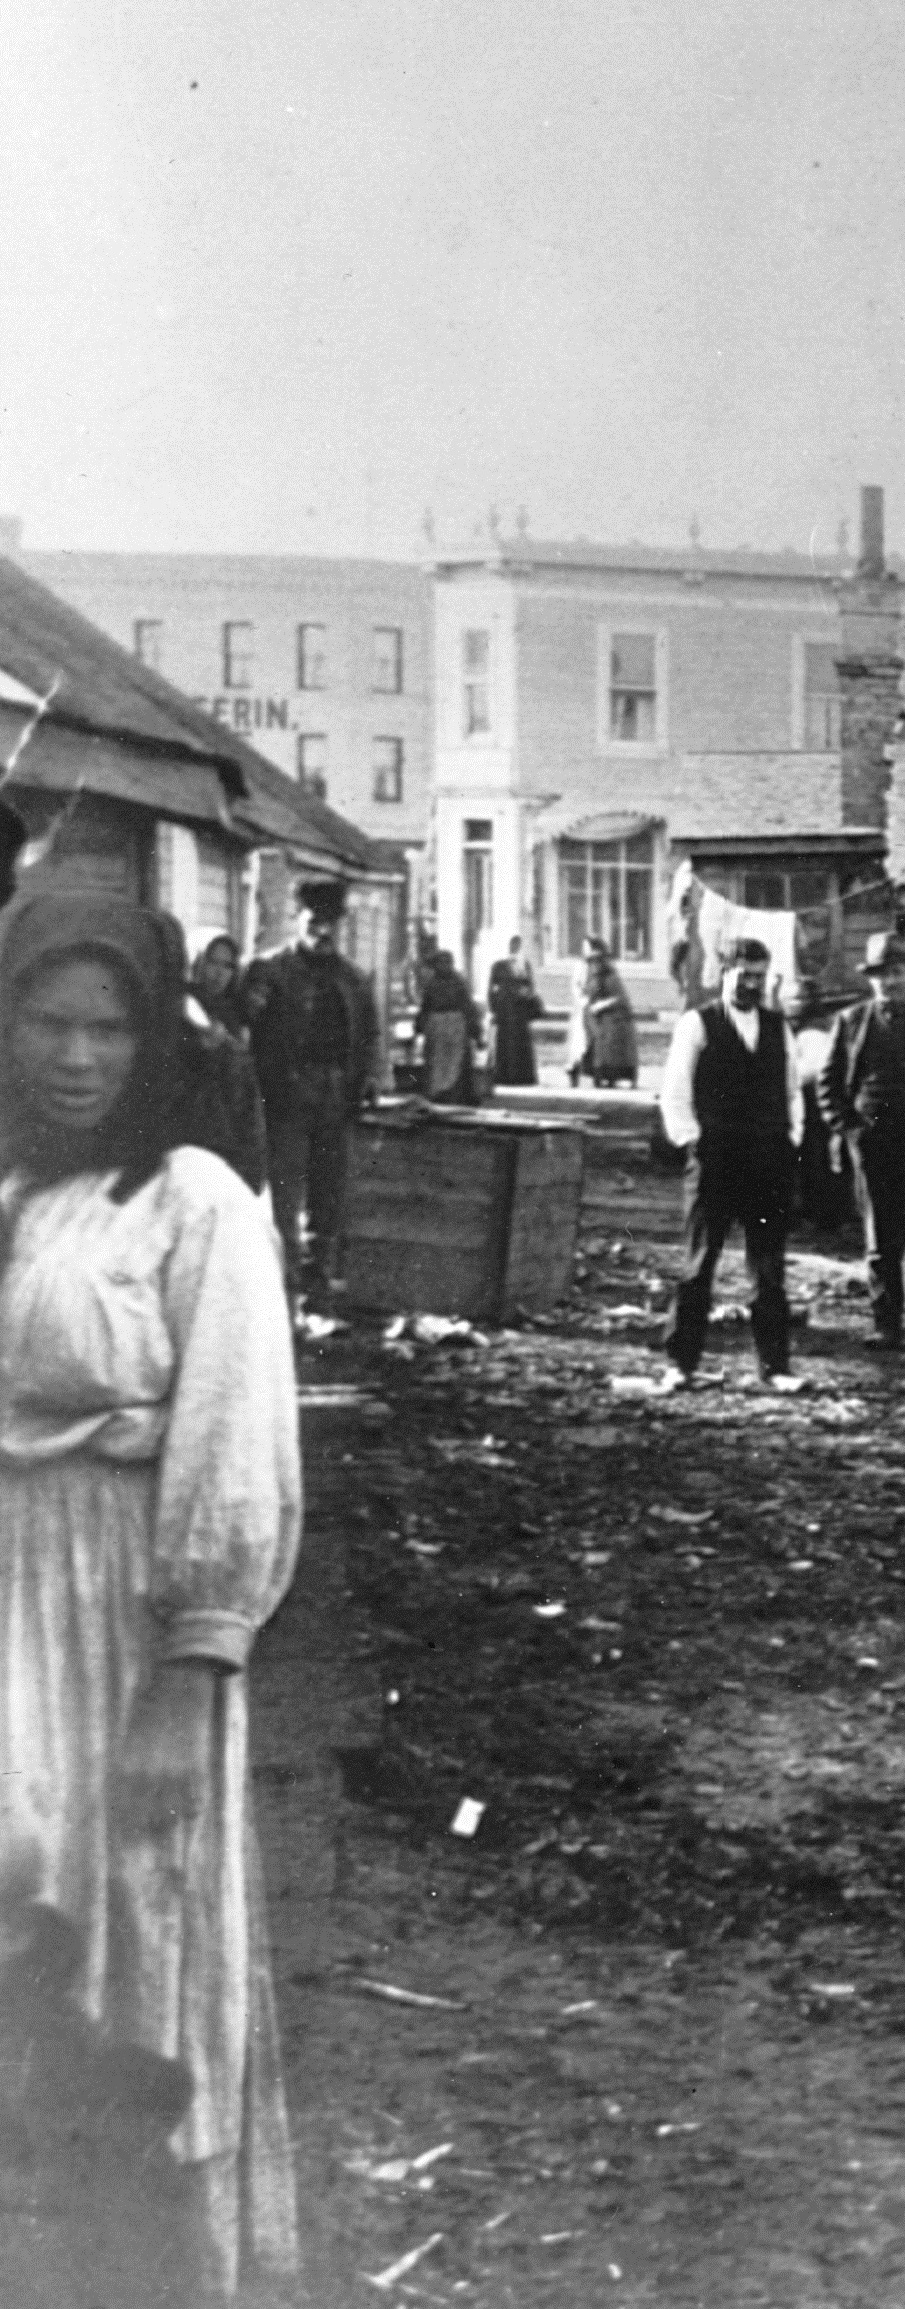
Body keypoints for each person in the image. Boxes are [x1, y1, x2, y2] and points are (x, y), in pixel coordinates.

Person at [0, 894, 303, 2301]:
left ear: (150, 1034)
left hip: (127, 1615)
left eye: (107, 1025)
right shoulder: (6, 1190)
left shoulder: (196, 1201)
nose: (76, 1055)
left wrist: (194, 1663)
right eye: (47, 1020)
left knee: (140, 1952)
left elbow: (237, 1434)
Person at [655, 936, 806, 1393]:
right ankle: (680, 1363)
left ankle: (775, 1367)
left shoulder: (779, 1027)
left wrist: (790, 1137)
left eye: (760, 977)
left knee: (767, 1267)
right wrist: (693, 1141)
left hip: (767, 1162)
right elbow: (675, 1092)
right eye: (744, 976)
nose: (752, 985)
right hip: (715, 1161)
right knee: (700, 1264)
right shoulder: (697, 1024)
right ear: (725, 973)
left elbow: (793, 1090)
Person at [237, 879, 382, 1297]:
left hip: (337, 1094)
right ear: (297, 919)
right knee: (284, 1189)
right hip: (286, 1094)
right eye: (315, 922)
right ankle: (282, 1278)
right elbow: (244, 1023)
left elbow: (369, 1034)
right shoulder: (269, 970)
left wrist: (370, 1076)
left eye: (331, 923)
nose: (323, 931)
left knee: (329, 1188)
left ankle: (318, 1276)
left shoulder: (353, 978)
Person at [820, 933, 905, 1357]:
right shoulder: (851, 1022)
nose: (890, 982)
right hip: (872, 1145)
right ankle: (887, 1326)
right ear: (871, 979)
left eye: (897, 973)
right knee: (880, 1243)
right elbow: (828, 1085)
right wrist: (848, 1129)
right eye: (881, 975)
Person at [179, 924, 269, 1190]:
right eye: (211, 962)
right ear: (195, 960)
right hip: (190, 1133)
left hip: (230, 1133)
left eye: (228, 965)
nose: (219, 973)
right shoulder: (177, 1008)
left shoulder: (233, 1014)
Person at [570, 937, 639, 1089]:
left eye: (597, 961)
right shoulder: (592, 978)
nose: (594, 965)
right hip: (595, 1016)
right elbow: (586, 992)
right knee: (591, 1038)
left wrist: (600, 1005)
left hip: (614, 1016)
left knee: (606, 1035)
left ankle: (610, 1074)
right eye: (591, 962)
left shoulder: (610, 977)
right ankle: (588, 1070)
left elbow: (619, 998)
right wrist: (587, 1001)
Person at [414, 945, 480, 1104]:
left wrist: (474, 1027)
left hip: (455, 1023)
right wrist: (419, 1024)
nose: (444, 966)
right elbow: (426, 1006)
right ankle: (438, 1093)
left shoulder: (458, 982)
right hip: (437, 1025)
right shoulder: (432, 983)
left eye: (447, 963)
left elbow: (467, 1005)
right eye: (440, 963)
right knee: (437, 1060)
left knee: (456, 1061)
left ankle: (454, 1094)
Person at [484, 930, 541, 1088]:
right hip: (504, 1010)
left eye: (517, 943)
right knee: (504, 1043)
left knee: (520, 1043)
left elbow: (530, 986)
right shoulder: (498, 965)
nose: (514, 947)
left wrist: (526, 994)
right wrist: (493, 1008)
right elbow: (491, 988)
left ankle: (523, 1077)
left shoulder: (524, 965)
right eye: (512, 943)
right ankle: (504, 1076)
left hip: (520, 1011)